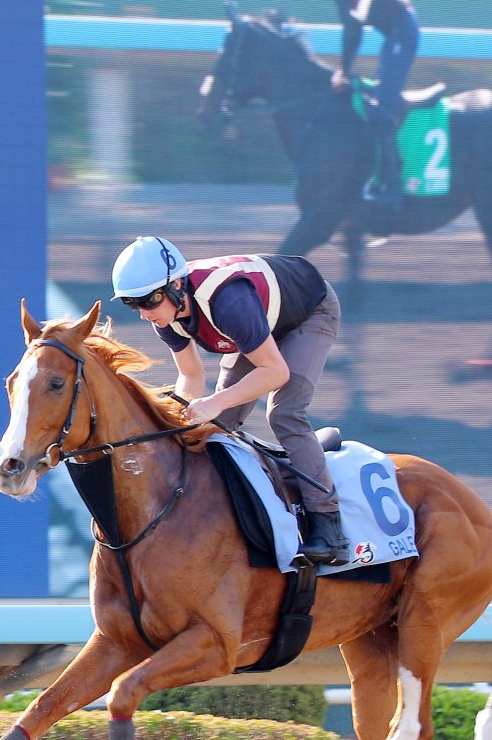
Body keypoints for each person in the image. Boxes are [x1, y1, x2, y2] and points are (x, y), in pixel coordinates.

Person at [111, 235, 348, 565]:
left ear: (177, 285)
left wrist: (215, 402)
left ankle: (329, 527)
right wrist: (181, 421)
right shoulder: (166, 314)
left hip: (310, 311)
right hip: (259, 323)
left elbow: (275, 372)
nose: (143, 313)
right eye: (132, 303)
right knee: (218, 427)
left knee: (284, 412)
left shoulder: (227, 302)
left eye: (148, 300)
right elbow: (192, 379)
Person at [293, 0, 421, 208]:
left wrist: (344, 71)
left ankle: (393, 186)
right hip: (397, 32)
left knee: (380, 111)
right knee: (373, 103)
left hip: (401, 33)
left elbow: (352, 31)